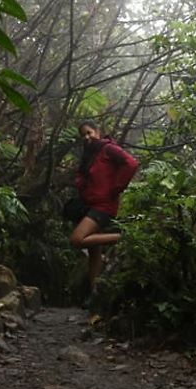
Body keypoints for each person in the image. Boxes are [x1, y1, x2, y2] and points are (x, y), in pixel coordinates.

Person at [68, 121, 139, 295]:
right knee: (94, 254)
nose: (87, 137)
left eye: (89, 133)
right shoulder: (89, 155)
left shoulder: (108, 149)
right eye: (83, 135)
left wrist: (117, 187)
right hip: (90, 205)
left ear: (97, 132)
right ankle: (94, 295)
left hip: (104, 206)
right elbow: (83, 176)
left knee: (77, 240)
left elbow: (131, 163)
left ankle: (124, 238)